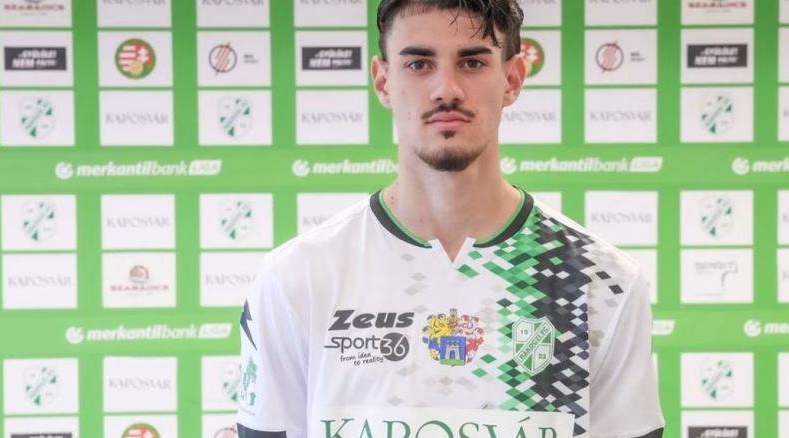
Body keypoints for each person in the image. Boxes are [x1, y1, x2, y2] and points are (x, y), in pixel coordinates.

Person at [235, 0, 665, 437]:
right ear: (383, 82)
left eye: (472, 62)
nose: (446, 89)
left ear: (513, 79)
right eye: (419, 64)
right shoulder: (299, 276)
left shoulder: (600, 280)